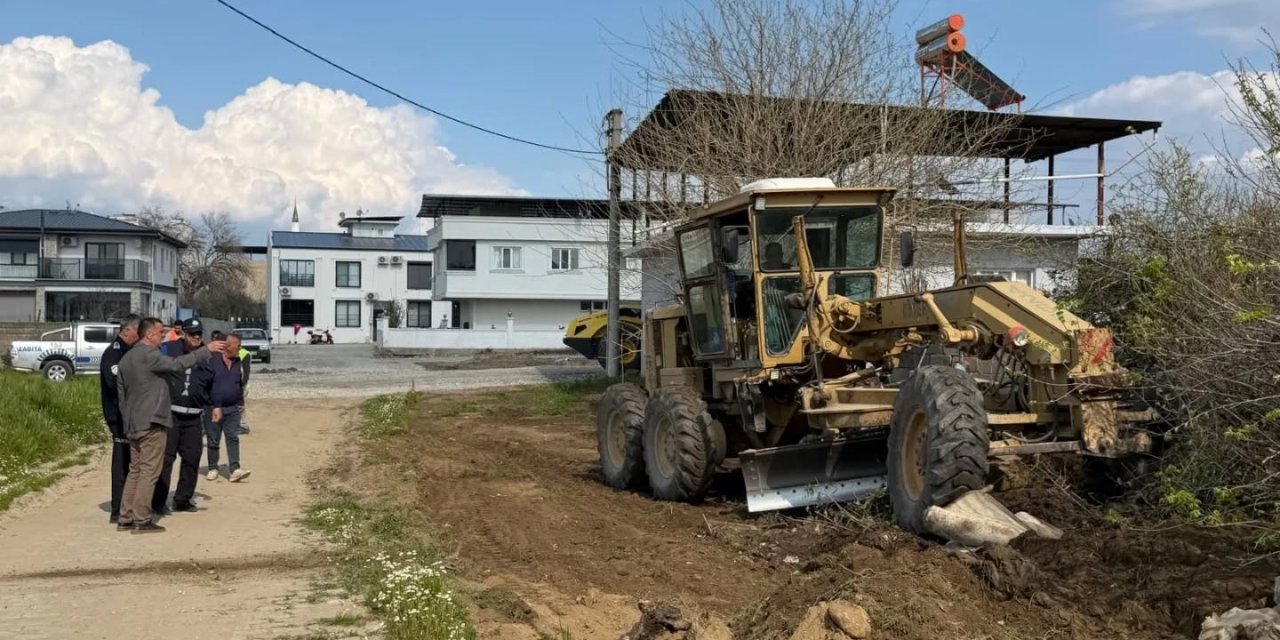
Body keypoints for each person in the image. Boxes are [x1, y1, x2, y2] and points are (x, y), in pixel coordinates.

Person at [117, 317, 224, 533]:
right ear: (148, 335)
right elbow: (177, 364)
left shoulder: (126, 359)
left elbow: (122, 397)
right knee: (149, 471)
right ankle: (142, 518)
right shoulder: (150, 355)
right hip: (152, 422)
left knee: (135, 471)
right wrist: (207, 350)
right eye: (160, 333)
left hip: (133, 423)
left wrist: (128, 419)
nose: (164, 336)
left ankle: (125, 517)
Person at [153, 317, 212, 514]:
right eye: (192, 333)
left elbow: (214, 382)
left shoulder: (209, 354)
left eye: (199, 334)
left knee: (192, 457)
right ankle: (158, 501)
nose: (196, 337)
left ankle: (183, 499)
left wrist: (216, 405)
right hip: (171, 414)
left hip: (194, 416)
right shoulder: (169, 348)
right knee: (166, 459)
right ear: (183, 333)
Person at [100, 313, 141, 525]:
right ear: (127, 331)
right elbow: (114, 383)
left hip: (133, 414)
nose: (140, 335)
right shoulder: (113, 353)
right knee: (122, 463)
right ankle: (118, 510)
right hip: (118, 415)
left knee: (134, 463)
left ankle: (131, 505)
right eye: (138, 331)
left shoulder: (131, 351)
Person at [202, 331, 253, 483]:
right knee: (213, 440)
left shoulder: (238, 361)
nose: (240, 348)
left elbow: (238, 382)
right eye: (238, 346)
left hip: (233, 408)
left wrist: (241, 402)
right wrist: (212, 404)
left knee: (232, 437)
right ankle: (212, 468)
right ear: (228, 346)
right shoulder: (212, 360)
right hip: (212, 408)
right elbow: (206, 385)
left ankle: (235, 469)